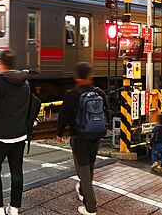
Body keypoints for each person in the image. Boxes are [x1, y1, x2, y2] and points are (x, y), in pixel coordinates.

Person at [0, 50, 31, 215]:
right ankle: (14, 208)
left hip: (1, 137)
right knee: (17, 172)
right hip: (20, 136)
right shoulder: (25, 84)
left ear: (2, 64)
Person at [57, 62, 107, 215]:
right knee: (89, 168)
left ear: (77, 77)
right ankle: (84, 192)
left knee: (83, 172)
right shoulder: (100, 93)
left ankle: (90, 208)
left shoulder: (71, 94)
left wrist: (59, 133)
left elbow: (63, 116)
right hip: (96, 136)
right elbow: (107, 114)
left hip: (79, 137)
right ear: (90, 76)